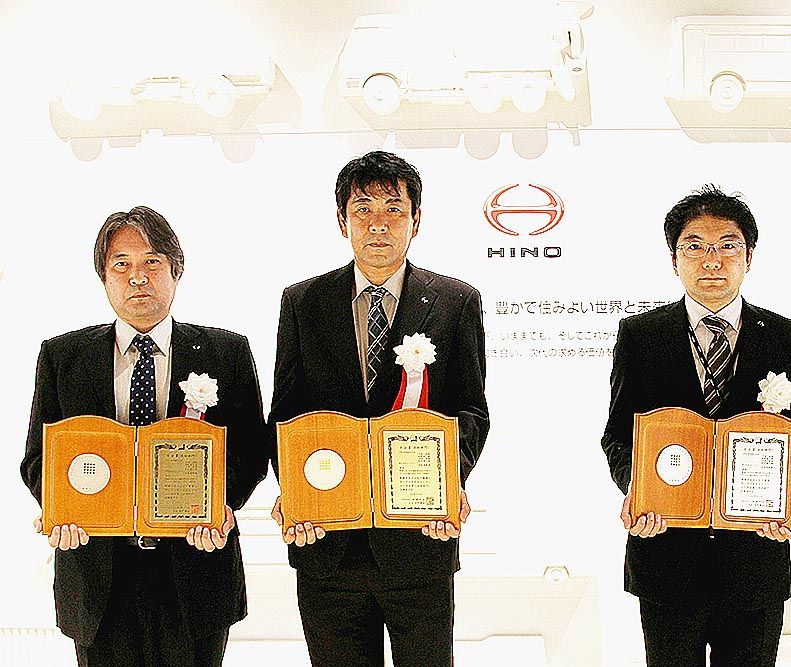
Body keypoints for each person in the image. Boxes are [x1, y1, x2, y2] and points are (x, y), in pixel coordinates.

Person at [20, 206, 269, 666]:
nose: (138, 277)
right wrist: (61, 506)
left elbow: (252, 451)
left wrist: (218, 506)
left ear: (176, 271)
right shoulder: (62, 356)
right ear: (103, 276)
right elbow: (38, 459)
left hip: (194, 569)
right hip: (97, 576)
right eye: (122, 264)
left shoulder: (226, 351)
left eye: (152, 261)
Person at [268, 150, 488, 666]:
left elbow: (471, 410)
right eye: (363, 209)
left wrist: (447, 482)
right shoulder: (302, 302)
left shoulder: (456, 301)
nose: (378, 224)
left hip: (419, 540)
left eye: (394, 209)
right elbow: (285, 416)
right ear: (341, 221)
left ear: (417, 220)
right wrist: (297, 494)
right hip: (327, 542)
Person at [600, 185, 791, 666]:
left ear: (749, 257)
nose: (712, 260)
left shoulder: (786, 336)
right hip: (665, 554)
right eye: (695, 246)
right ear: (673, 260)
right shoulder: (641, 335)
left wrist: (788, 498)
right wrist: (638, 488)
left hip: (755, 556)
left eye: (727, 246)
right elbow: (617, 435)